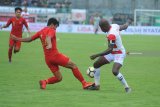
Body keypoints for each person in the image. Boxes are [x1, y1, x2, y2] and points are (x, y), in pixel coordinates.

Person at [11, 18, 93, 90]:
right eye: (56, 27)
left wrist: (17, 39)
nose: (56, 29)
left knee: (59, 78)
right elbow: (48, 37)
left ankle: (44, 82)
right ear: (52, 24)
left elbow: (30, 39)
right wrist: (50, 44)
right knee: (73, 65)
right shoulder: (51, 29)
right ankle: (84, 83)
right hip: (55, 56)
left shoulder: (41, 31)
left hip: (48, 59)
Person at [87, 18, 132, 93]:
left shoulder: (111, 34)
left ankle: (127, 87)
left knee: (115, 71)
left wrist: (96, 55)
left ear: (104, 27)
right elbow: (124, 26)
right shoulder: (114, 26)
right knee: (96, 64)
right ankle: (97, 85)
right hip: (112, 52)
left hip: (119, 53)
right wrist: (127, 23)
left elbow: (109, 49)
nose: (101, 30)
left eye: (101, 28)